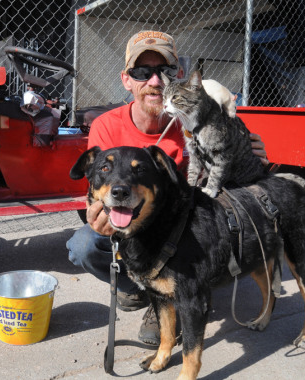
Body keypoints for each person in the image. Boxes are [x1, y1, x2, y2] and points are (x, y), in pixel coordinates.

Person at [67, 30, 268, 345]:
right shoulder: (107, 127)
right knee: (84, 246)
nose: (156, 81)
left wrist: (249, 152)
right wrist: (100, 213)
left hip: (180, 226)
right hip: (133, 223)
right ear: (127, 80)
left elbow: (233, 174)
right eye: (142, 72)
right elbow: (96, 189)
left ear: (180, 76)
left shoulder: (198, 121)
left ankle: (177, 292)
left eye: (165, 71)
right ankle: (144, 291)